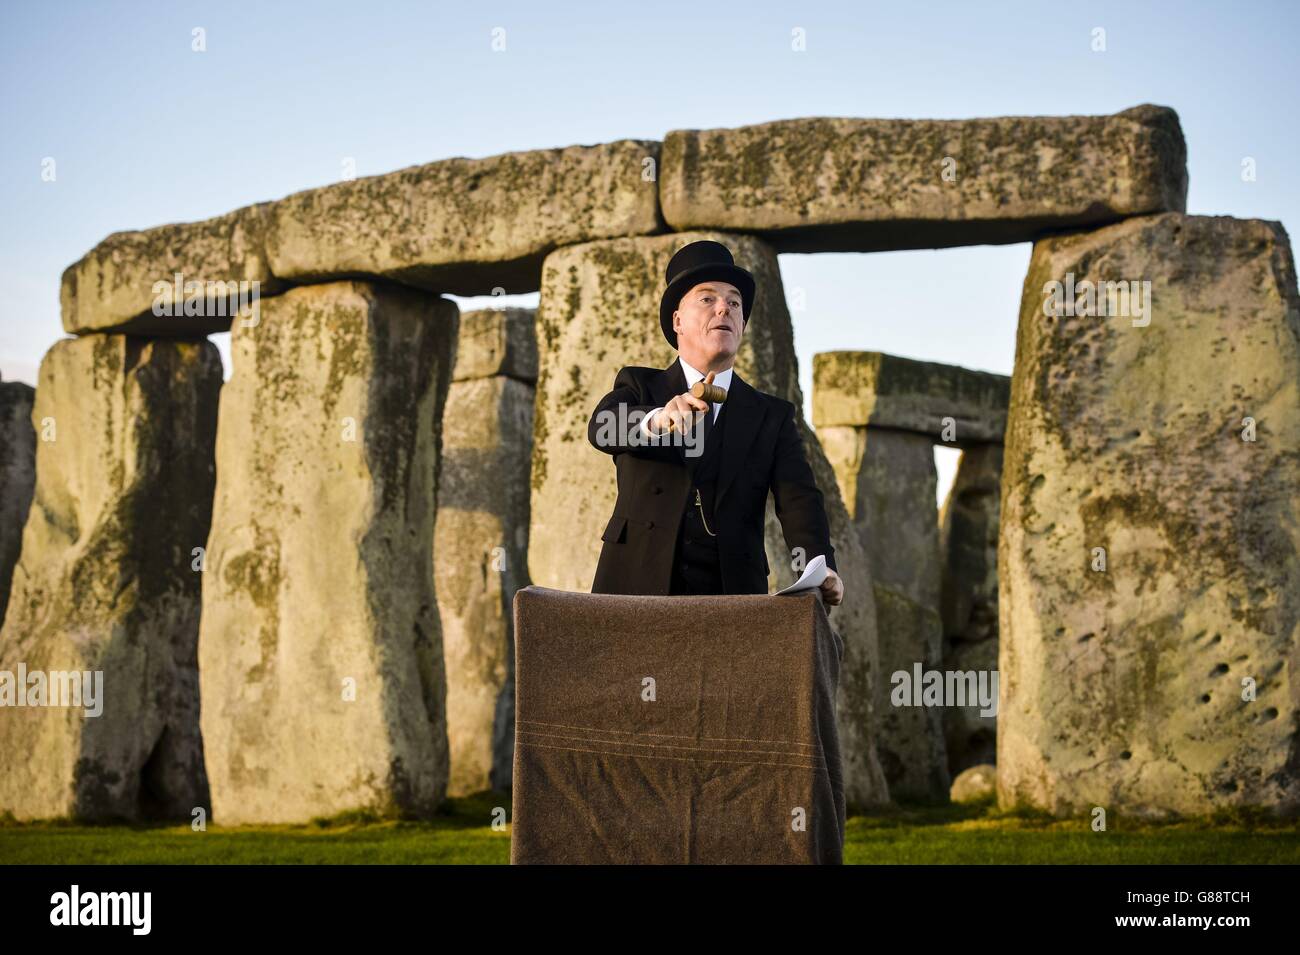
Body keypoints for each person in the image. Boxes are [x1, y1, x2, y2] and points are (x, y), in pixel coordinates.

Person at [586, 239, 844, 604]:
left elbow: (798, 497)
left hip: (733, 594)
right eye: (707, 299)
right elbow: (601, 428)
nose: (724, 307)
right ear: (677, 320)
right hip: (634, 585)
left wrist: (821, 565)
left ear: (742, 323)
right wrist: (658, 419)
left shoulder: (773, 415)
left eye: (734, 303)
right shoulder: (639, 385)